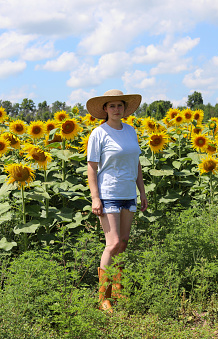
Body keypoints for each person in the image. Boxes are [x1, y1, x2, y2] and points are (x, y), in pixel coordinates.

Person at [86, 89, 148, 312]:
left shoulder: (131, 131)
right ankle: (104, 298)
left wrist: (142, 191)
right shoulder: (99, 133)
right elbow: (92, 167)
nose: (116, 109)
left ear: (124, 108)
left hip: (128, 193)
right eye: (111, 106)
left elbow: (136, 163)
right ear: (105, 109)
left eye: (119, 105)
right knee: (112, 245)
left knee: (123, 242)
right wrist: (95, 198)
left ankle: (118, 289)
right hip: (109, 193)